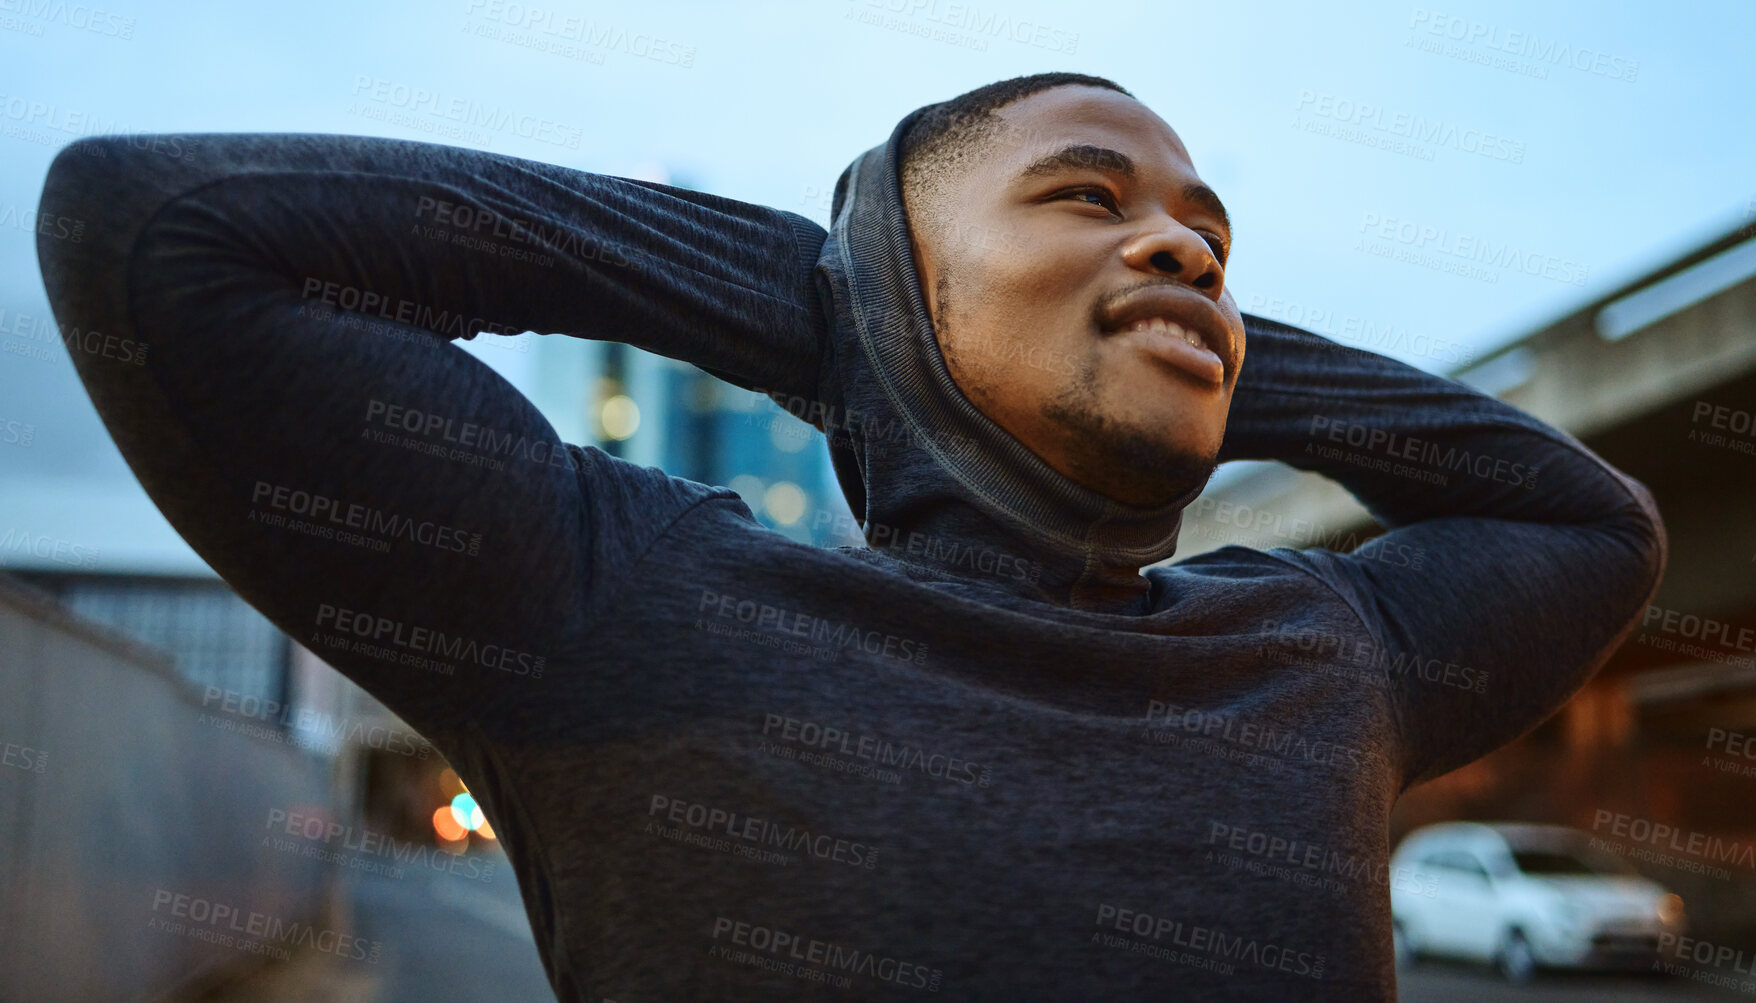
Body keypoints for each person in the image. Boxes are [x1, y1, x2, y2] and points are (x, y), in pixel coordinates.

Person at [34, 72, 1666, 1000]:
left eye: (1211, 237)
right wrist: (827, 304)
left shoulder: (1325, 653)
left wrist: (1181, 331)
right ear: (893, 280)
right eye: (1088, 199)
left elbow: (1586, 518)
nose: (1182, 245)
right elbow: (158, 234)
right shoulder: (623, 601)